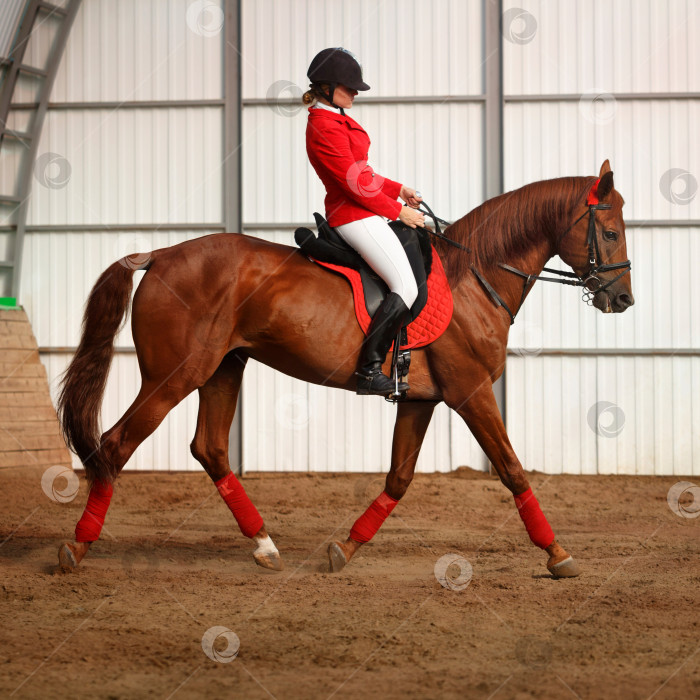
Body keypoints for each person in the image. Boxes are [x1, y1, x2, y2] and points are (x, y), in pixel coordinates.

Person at [304, 47, 425, 396]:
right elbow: (351, 182)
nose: (355, 92)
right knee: (405, 284)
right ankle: (370, 369)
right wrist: (397, 210)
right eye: (349, 86)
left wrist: (398, 189)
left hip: (365, 209)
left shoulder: (336, 119)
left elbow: (363, 173)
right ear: (327, 88)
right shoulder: (324, 125)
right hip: (352, 215)